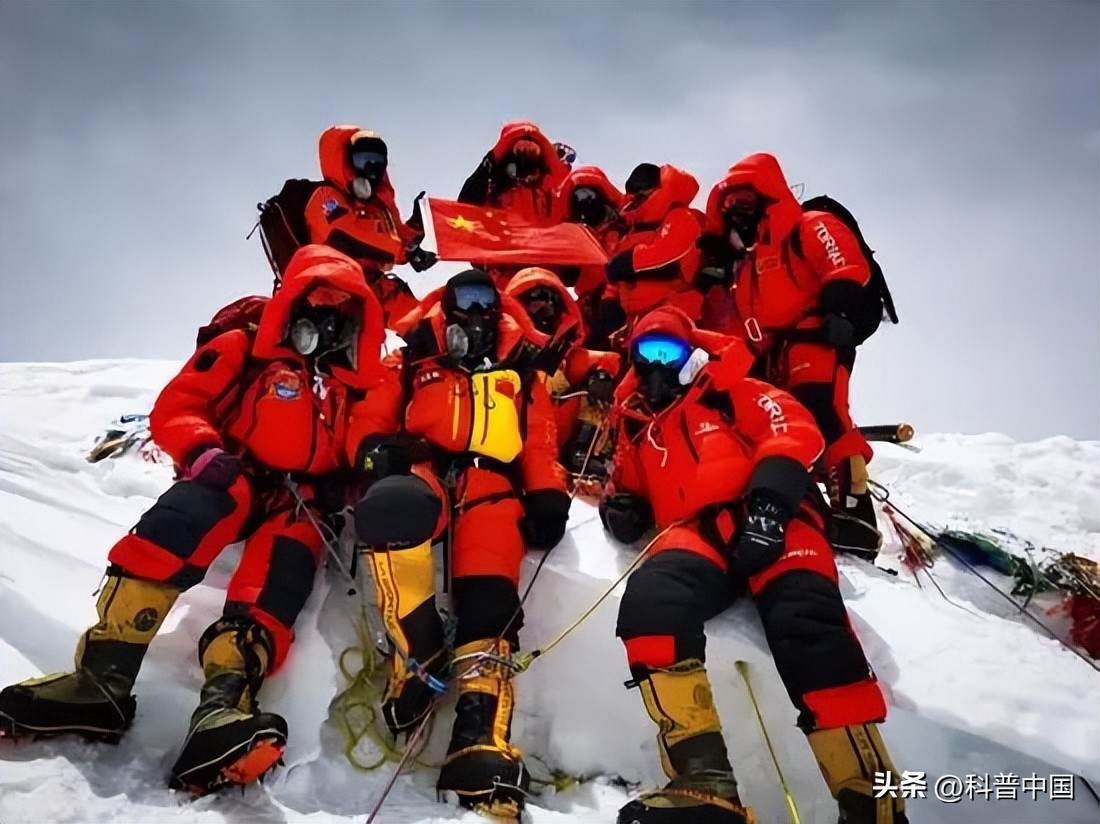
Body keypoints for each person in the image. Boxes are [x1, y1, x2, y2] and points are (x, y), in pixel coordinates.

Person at [0, 246, 400, 796]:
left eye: (343, 310)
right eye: (318, 304)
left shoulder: (357, 385)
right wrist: (201, 450)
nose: (329, 321)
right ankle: (100, 681)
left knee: (273, 588)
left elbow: (367, 442)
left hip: (301, 504)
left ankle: (223, 711)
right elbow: (180, 403)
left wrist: (351, 476)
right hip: (230, 471)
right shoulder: (244, 348)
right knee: (182, 521)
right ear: (293, 305)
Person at [599, 306, 907, 824]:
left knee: (806, 622)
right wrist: (622, 510)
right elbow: (626, 487)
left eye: (667, 352)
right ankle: (703, 785)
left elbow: (793, 429)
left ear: (691, 354)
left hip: (775, 515)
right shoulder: (638, 428)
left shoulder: (731, 388)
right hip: (699, 533)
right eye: (643, 354)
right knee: (653, 604)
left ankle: (870, 805)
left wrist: (769, 505)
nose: (654, 365)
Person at [351, 269, 571, 818]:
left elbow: (540, 443)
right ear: (445, 306)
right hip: (424, 467)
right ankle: (416, 651)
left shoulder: (522, 370)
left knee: (490, 600)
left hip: (493, 484)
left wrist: (548, 494)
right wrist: (377, 448)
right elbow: (369, 420)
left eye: (486, 302)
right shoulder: (412, 358)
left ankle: (479, 735)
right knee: (392, 509)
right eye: (464, 300)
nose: (476, 311)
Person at [698, 152, 883, 556]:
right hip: (773, 355)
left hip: (817, 335)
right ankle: (805, 501)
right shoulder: (745, 265)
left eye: (745, 202)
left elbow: (843, 262)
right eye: (730, 207)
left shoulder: (809, 225)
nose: (738, 213)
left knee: (824, 409)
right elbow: (739, 322)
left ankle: (854, 510)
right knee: (785, 425)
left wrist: (842, 309)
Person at [299, 125, 436, 328]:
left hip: (372, 288)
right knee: (343, 350)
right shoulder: (326, 196)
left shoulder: (377, 207)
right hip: (331, 293)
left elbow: (396, 238)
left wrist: (418, 224)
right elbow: (344, 235)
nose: (371, 168)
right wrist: (405, 252)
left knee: (422, 327)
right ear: (347, 161)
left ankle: (440, 352)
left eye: (378, 162)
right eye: (364, 160)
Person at [503, 267, 621, 485]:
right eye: (535, 305)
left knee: (596, 383)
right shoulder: (500, 347)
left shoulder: (564, 353)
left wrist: (601, 375)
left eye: (549, 306)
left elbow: (605, 360)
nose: (542, 314)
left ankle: (583, 448)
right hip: (509, 440)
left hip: (556, 440)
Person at [602, 163, 706, 334]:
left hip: (674, 317)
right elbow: (614, 275)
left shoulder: (681, 217)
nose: (636, 200)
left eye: (642, 194)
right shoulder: (631, 232)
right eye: (634, 196)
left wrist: (626, 263)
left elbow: (667, 257)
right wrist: (608, 303)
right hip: (635, 322)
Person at [551, 165, 627, 348]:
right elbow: (566, 278)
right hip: (586, 306)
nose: (583, 202)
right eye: (577, 198)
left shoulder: (624, 227)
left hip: (619, 302)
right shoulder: (572, 235)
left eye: (588, 195)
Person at [457, 120, 571, 226]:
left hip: (546, 244)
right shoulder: (492, 188)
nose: (526, 173)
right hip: (508, 244)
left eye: (532, 163)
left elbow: (566, 185)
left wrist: (540, 141)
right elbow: (464, 206)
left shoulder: (554, 189)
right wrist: (495, 155)